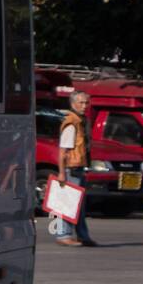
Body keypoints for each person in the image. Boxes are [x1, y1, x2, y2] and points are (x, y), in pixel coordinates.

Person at [55, 91, 96, 247]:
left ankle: (83, 235)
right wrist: (61, 173)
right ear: (72, 104)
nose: (84, 106)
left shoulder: (80, 121)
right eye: (81, 103)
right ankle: (63, 235)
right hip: (71, 169)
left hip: (78, 168)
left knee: (79, 204)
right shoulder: (71, 124)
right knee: (68, 203)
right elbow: (62, 151)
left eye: (86, 102)